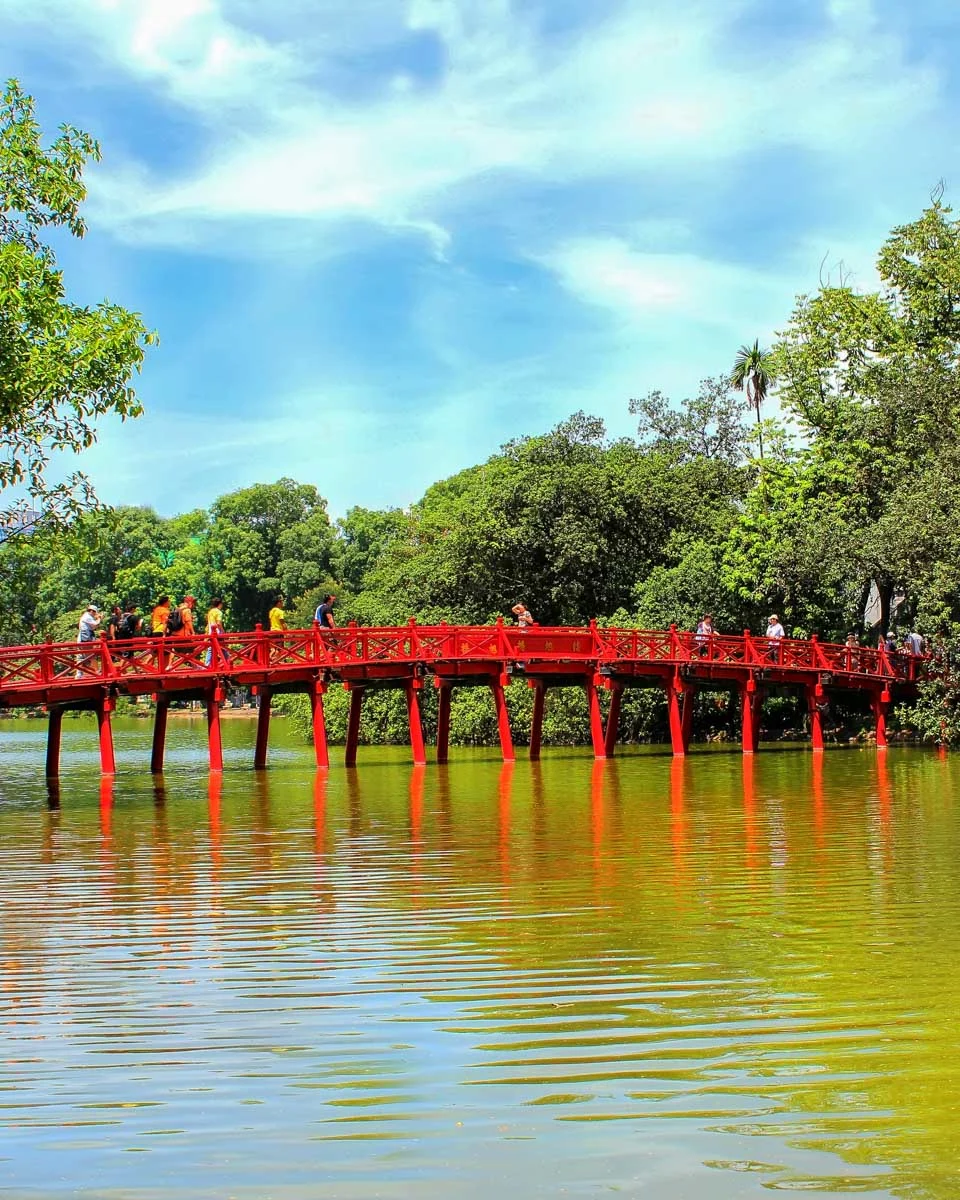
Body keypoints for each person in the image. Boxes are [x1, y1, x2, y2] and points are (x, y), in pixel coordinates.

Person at [75, 604, 100, 676]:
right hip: (85, 640)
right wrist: (99, 618)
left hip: (82, 639)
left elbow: (93, 627)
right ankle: (97, 672)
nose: (95, 614)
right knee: (91, 656)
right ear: (92, 611)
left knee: (81, 657)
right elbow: (95, 624)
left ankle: (79, 675)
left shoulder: (86, 616)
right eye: (95, 612)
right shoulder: (87, 617)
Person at [205, 597, 225, 666]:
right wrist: (222, 631)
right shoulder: (219, 612)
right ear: (220, 604)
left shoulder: (210, 611)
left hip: (211, 633)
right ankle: (227, 662)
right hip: (217, 633)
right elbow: (219, 623)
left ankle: (207, 665)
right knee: (223, 648)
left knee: (211, 649)